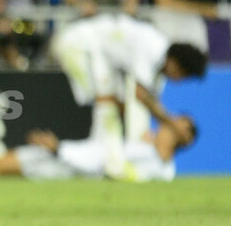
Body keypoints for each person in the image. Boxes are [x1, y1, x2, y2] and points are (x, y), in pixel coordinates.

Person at [51, 13, 206, 168]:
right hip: (79, 43)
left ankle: (101, 160)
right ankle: (95, 161)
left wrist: (150, 135)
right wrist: (171, 123)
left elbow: (148, 102)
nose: (178, 81)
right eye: (182, 75)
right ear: (176, 64)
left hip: (102, 58)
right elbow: (140, 94)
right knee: (106, 101)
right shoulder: (153, 46)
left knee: (113, 105)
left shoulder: (158, 70)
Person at [0, 116, 197, 182]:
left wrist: (59, 149)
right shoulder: (146, 149)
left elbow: (111, 167)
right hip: (71, 156)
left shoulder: (161, 169)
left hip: (70, 164)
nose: (166, 123)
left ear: (183, 137)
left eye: (175, 125)